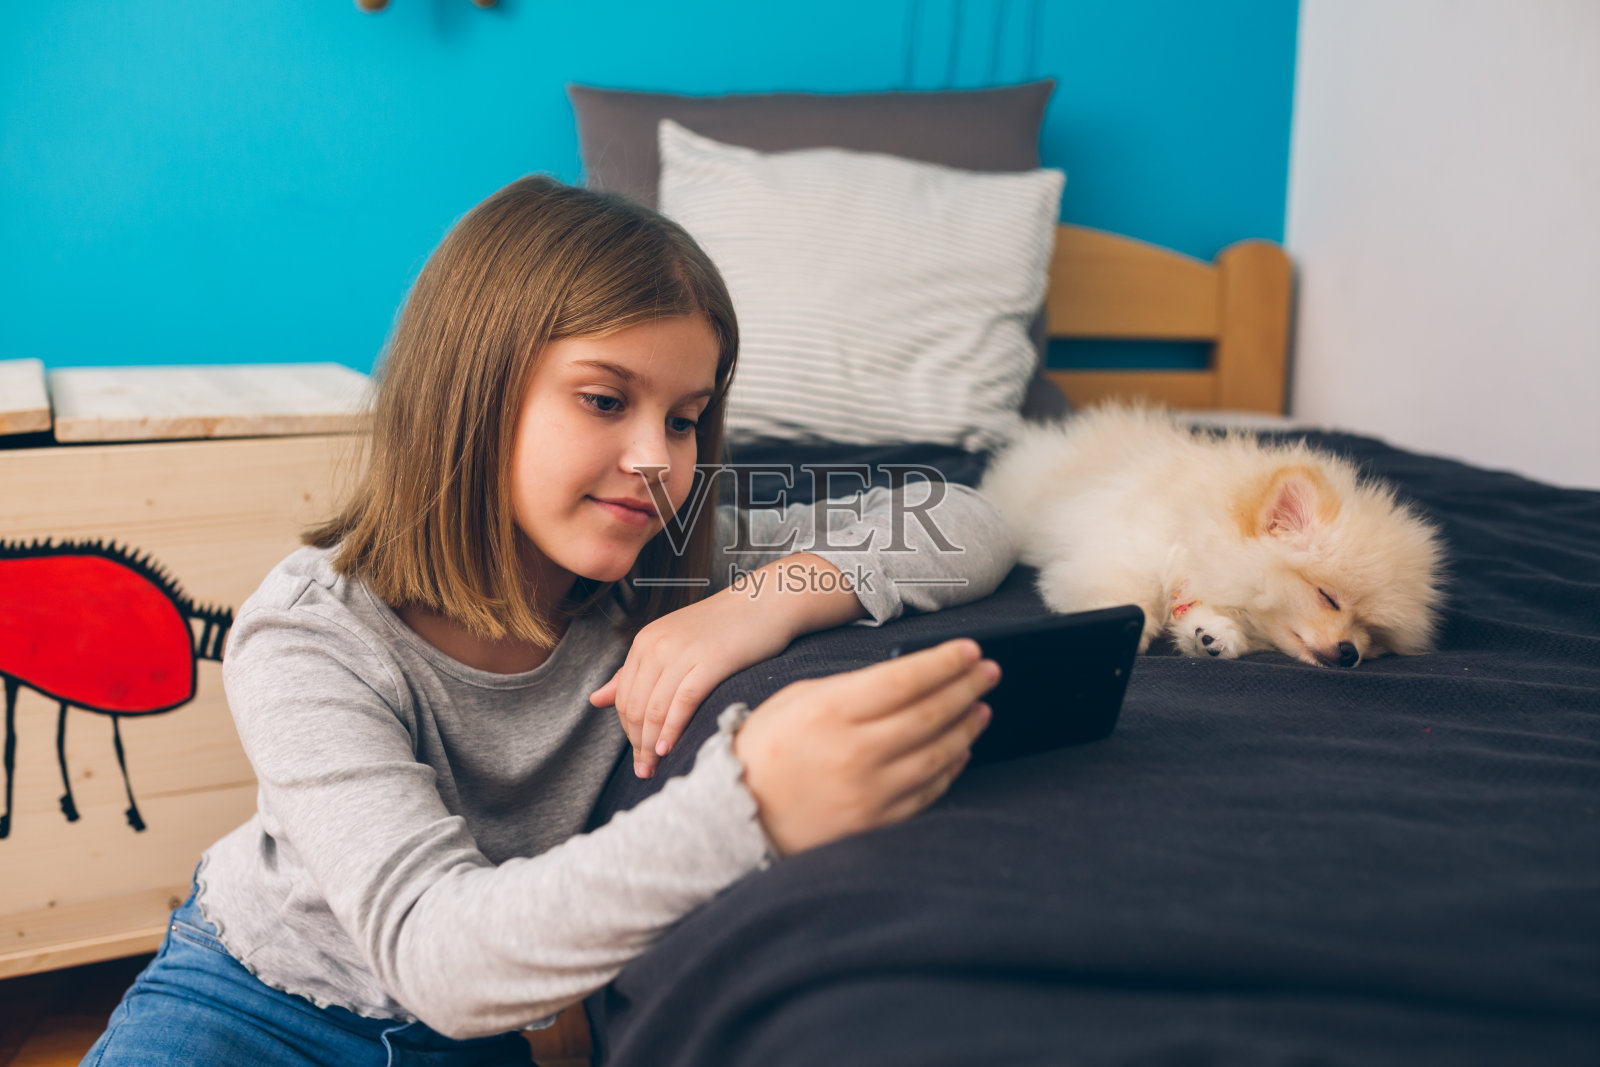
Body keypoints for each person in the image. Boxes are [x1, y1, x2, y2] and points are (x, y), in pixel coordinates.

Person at [83, 176, 1016, 1066]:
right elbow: (434, 947)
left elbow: (970, 520)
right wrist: (751, 801)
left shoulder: (666, 564)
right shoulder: (309, 635)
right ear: (473, 390)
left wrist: (754, 606)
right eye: (605, 401)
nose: (657, 459)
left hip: (468, 1041)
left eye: (687, 418)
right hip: (254, 1003)